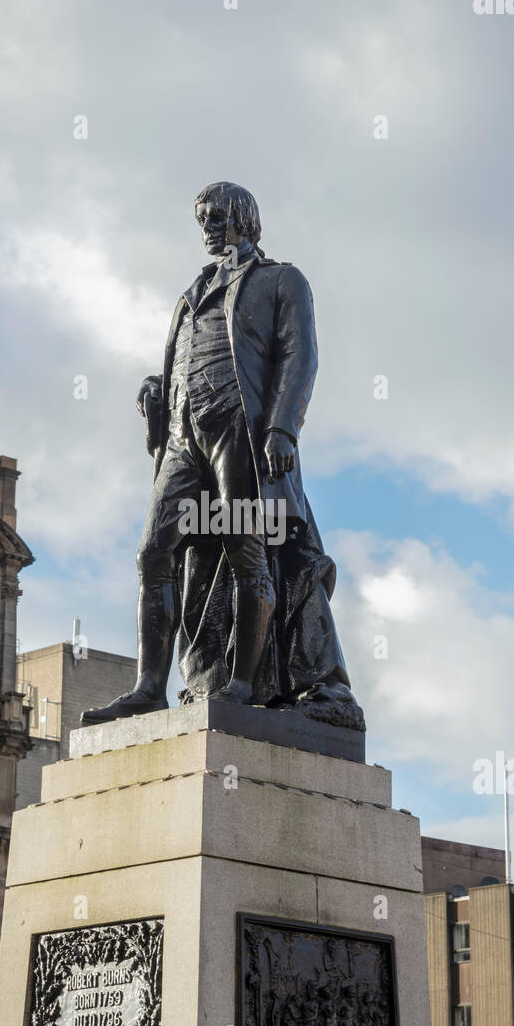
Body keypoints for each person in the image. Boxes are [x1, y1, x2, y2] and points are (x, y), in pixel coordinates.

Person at [81, 182, 363, 730]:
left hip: (243, 428)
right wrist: (157, 388)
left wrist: (282, 428)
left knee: (246, 549)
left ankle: (241, 684)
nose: (209, 227)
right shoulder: (193, 291)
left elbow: (299, 356)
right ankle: (147, 689)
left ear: (244, 219)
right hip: (186, 435)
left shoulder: (282, 280)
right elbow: (183, 360)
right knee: (152, 553)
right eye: (202, 219)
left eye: (217, 216)